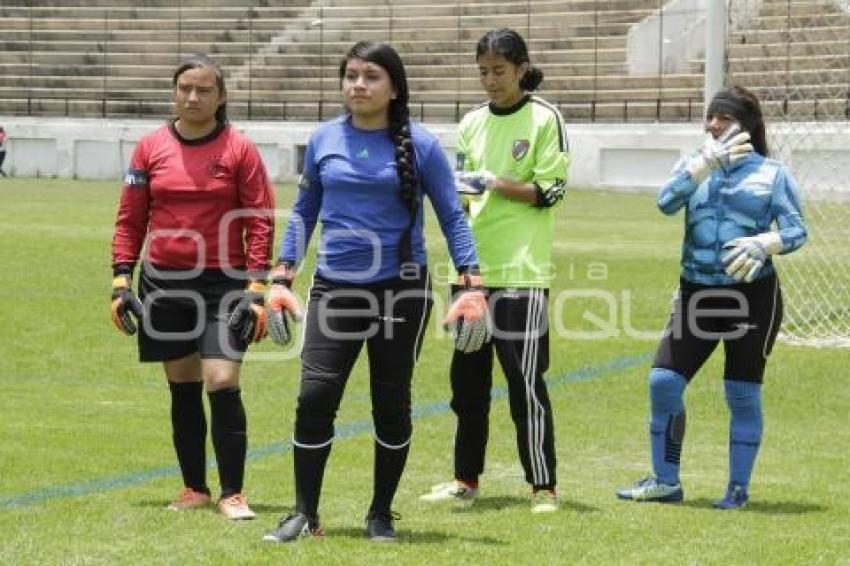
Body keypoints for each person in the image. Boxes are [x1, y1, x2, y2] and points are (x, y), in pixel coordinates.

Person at [261, 41, 488, 544]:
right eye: (351, 76)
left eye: (371, 77)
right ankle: (304, 514)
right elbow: (303, 213)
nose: (358, 85)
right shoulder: (323, 140)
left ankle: (381, 514)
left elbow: (453, 215)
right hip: (334, 290)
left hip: (400, 293)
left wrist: (472, 284)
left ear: (394, 87)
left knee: (391, 404)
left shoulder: (422, 145)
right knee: (314, 397)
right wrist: (281, 277)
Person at [616, 85, 807, 509]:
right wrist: (702, 166)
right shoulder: (694, 164)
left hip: (752, 297)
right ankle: (666, 481)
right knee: (663, 382)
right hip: (696, 293)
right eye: (711, 116)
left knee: (741, 392)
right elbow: (665, 203)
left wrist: (765, 243)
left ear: (747, 126)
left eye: (725, 118)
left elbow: (797, 230)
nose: (714, 124)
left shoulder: (772, 173)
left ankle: (737, 490)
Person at [110, 54, 275, 520]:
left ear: (221, 97)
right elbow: (131, 217)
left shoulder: (240, 150)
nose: (192, 97)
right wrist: (122, 277)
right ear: (174, 91)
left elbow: (258, 221)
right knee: (182, 386)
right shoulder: (149, 148)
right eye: (185, 87)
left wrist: (256, 286)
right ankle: (194, 488)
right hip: (164, 282)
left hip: (225, 284)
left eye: (204, 89)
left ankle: (233, 492)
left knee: (221, 381)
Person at [419, 28, 571, 514]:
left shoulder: (546, 118)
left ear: (522, 69)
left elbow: (550, 191)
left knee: (526, 381)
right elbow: (462, 200)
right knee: (467, 386)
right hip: (472, 275)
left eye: (499, 71)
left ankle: (543, 486)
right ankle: (466, 480)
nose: (490, 80)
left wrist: (495, 182)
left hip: (523, 273)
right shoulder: (470, 122)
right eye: (483, 71)